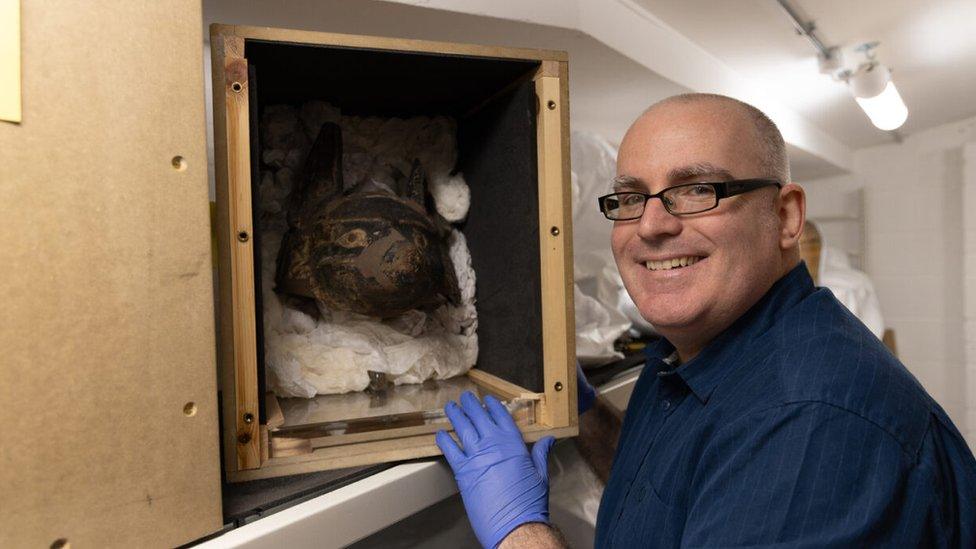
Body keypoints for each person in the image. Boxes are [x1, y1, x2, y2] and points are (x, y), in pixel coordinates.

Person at [435, 93, 976, 548]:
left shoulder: (809, 421)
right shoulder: (692, 349)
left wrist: (521, 533)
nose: (650, 225)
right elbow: (684, 481)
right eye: (629, 197)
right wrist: (591, 414)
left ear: (785, 216)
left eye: (697, 190)